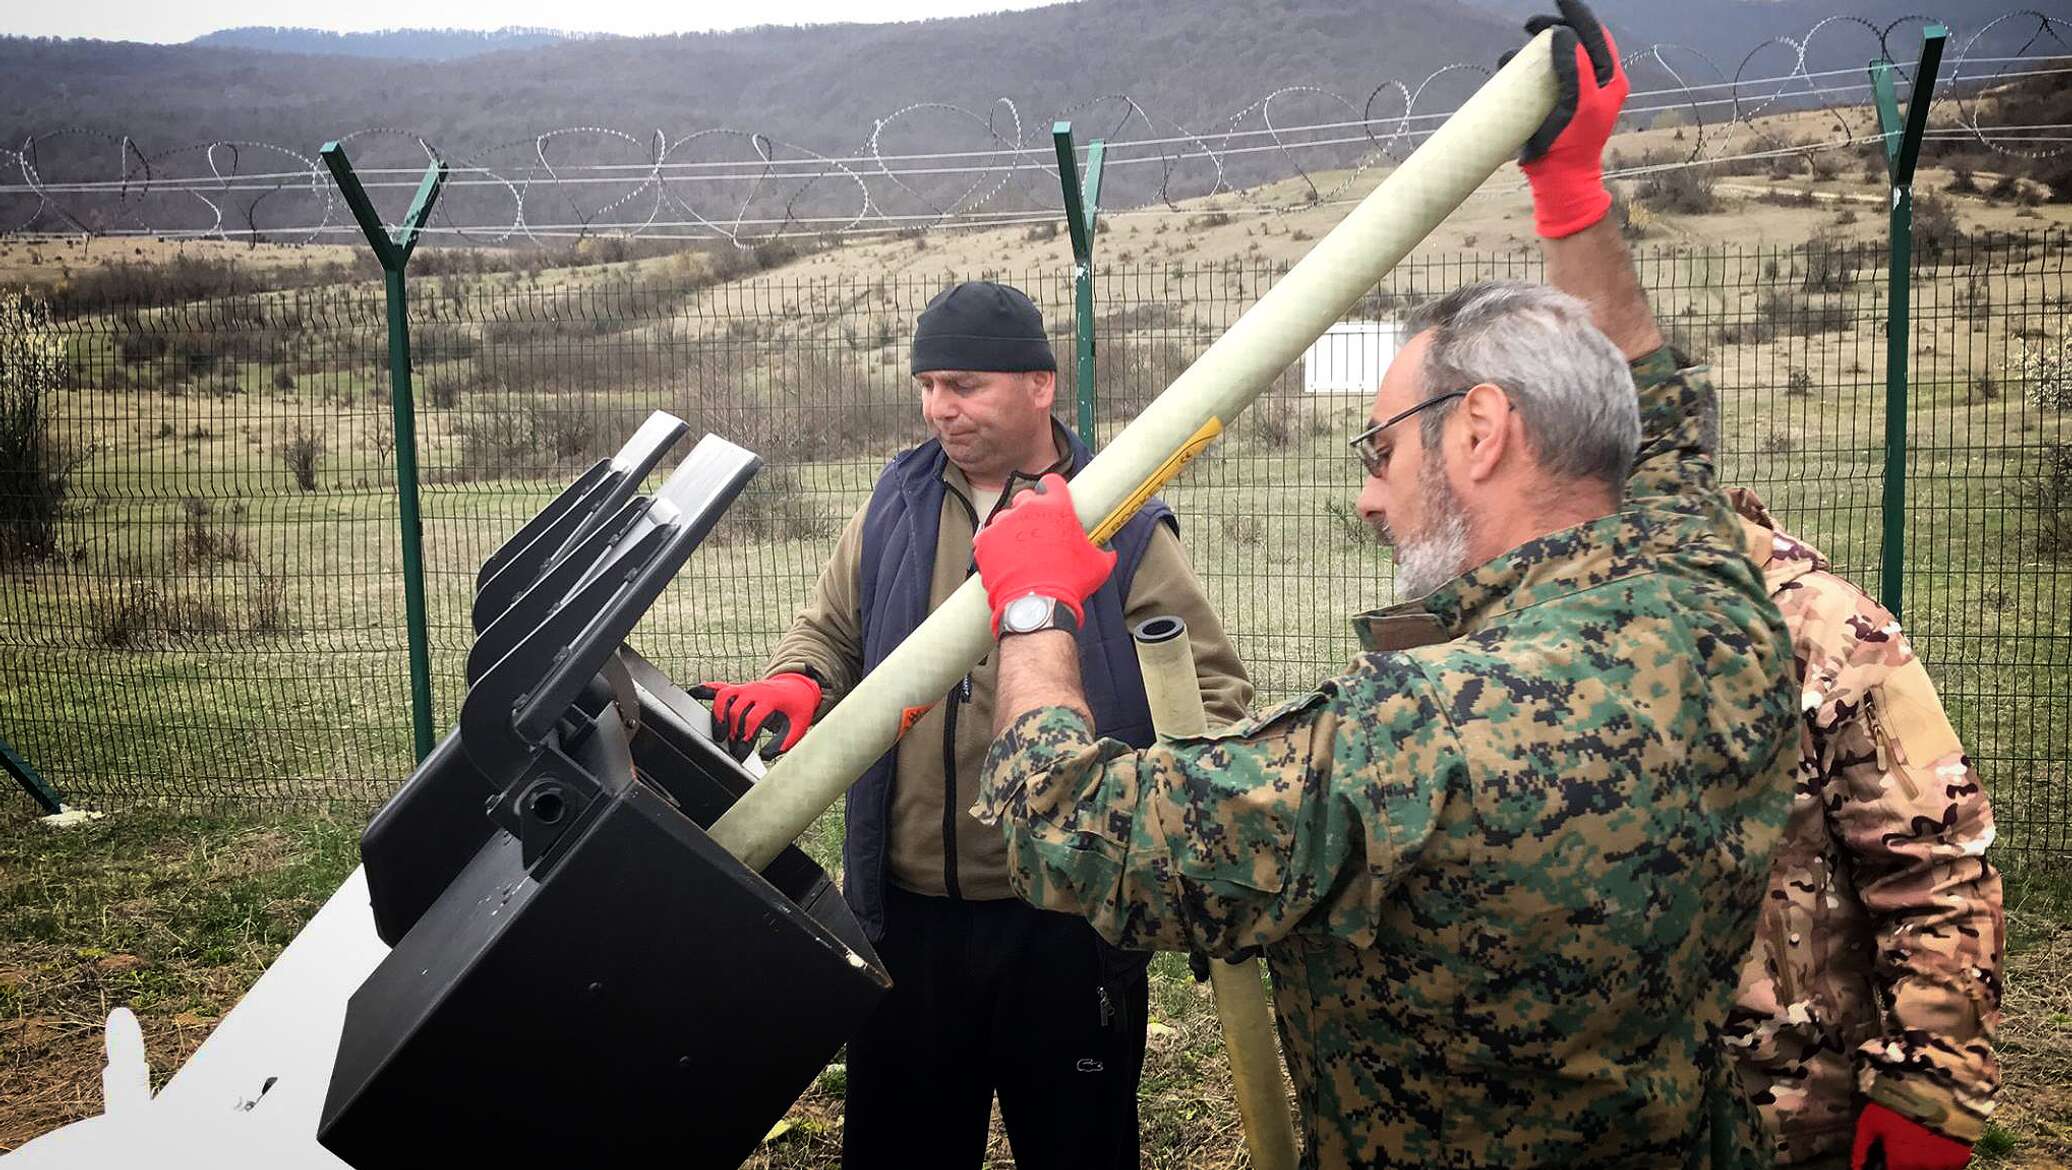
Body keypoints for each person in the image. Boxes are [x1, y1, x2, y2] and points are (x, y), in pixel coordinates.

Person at [966, 4, 1798, 1165]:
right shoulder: (1711, 602)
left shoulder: (1418, 739)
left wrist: (1031, 603)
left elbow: (1070, 832)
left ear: (1478, 433)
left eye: (1379, 452)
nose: (1366, 498)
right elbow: (1648, 409)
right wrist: (1569, 192)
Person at [695, 279, 1251, 1170]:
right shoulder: (898, 500)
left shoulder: (1122, 517)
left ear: (1039, 385)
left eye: (962, 385)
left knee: (1079, 1147)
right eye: (926, 386)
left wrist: (1139, 798)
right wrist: (799, 678)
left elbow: (1211, 690)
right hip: (906, 916)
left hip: (1066, 921)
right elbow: (830, 627)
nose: (937, 409)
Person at [1721, 488, 2003, 1170]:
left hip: (1787, 1126)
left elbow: (1938, 866)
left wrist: (1930, 1094)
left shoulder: (1817, 626)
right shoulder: (1495, 630)